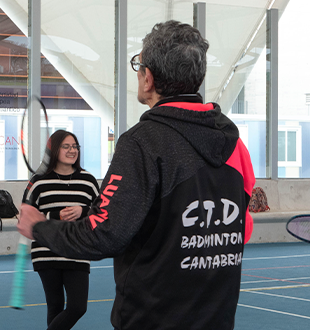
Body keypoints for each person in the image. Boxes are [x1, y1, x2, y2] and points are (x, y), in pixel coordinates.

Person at [17, 20, 255, 330]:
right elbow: (242, 230)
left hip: (152, 320)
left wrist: (40, 228)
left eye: (138, 67)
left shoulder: (142, 142)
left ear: (148, 79)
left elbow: (104, 235)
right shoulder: (236, 146)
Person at [22, 130, 99, 330]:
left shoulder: (88, 181)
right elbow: (25, 217)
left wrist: (83, 211)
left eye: (75, 146)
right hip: (46, 251)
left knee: (78, 307)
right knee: (55, 306)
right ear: (54, 149)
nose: (72, 150)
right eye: (66, 146)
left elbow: (102, 213)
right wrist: (56, 216)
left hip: (78, 250)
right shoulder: (37, 181)